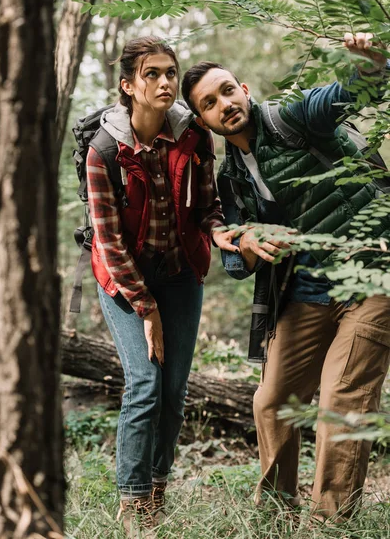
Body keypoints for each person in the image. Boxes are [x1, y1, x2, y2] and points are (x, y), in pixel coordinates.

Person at [181, 32, 390, 522]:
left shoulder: (292, 119)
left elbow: (350, 91)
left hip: (374, 273)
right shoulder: (229, 177)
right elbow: (235, 260)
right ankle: (275, 513)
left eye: (227, 90)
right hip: (306, 291)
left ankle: (329, 523)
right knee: (272, 401)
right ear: (203, 121)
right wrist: (249, 246)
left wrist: (371, 63)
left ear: (245, 89)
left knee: (341, 400)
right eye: (210, 103)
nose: (224, 105)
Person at [86, 35, 234, 533]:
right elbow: (107, 241)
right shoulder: (103, 150)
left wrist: (221, 234)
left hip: (179, 275)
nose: (166, 81)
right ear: (128, 85)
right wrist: (145, 309)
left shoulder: (194, 137)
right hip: (125, 280)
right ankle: (131, 509)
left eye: (171, 72)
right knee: (145, 385)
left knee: (173, 391)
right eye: (152, 74)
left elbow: (209, 206)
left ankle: (155, 493)